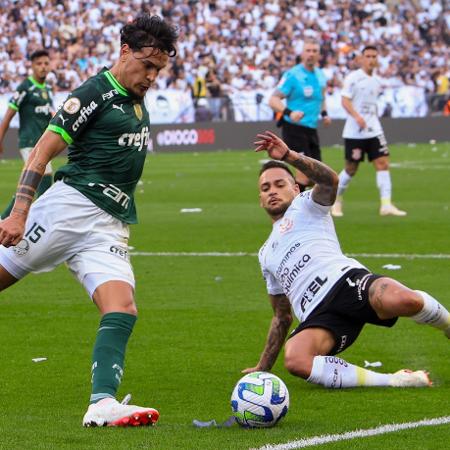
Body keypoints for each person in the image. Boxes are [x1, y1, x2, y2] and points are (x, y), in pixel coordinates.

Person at [0, 14, 178, 427]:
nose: (151, 76)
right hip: (68, 210)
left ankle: (102, 403)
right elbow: (41, 153)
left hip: (108, 224)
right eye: (147, 65)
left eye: (159, 70)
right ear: (125, 51)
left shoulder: (134, 96)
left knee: (123, 308)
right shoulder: (94, 92)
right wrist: (19, 213)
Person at [243, 130, 449, 389]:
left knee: (405, 300)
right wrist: (263, 367)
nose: (272, 191)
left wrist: (289, 156)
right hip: (319, 316)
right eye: (265, 188)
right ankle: (396, 380)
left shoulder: (306, 204)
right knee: (296, 359)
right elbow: (281, 316)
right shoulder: (265, 254)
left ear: (295, 188)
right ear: (261, 200)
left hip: (347, 283)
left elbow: (330, 180)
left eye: (280, 184)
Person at [331, 46, 406, 217]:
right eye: (368, 56)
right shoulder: (353, 78)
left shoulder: (376, 81)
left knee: (383, 163)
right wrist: (357, 116)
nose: (371, 59)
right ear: (361, 59)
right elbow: (344, 100)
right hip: (355, 131)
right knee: (351, 169)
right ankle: (336, 200)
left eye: (374, 56)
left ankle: (386, 205)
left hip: (374, 129)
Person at [268, 38, 331, 191]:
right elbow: (273, 99)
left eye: (314, 51)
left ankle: (307, 209)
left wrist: (324, 114)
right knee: (304, 174)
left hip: (311, 129)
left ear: (319, 55)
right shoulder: (293, 75)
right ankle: (294, 211)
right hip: (294, 128)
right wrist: (289, 112)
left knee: (319, 175)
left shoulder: (321, 75)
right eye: (308, 51)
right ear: (302, 54)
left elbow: (321, 97)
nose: (311, 54)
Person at [0, 50, 54, 219]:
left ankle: (5, 220)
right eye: (39, 64)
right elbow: (9, 114)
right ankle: (41, 224)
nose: (43, 67)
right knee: (44, 180)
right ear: (32, 66)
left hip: (44, 143)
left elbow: (51, 115)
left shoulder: (47, 89)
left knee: (30, 186)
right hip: (30, 141)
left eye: (46, 63)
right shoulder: (25, 87)